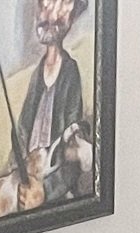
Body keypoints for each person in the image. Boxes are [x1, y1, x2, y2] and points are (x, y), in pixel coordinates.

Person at [16, 0, 89, 204]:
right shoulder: (36, 75)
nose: (48, 14)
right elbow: (22, 130)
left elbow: (71, 145)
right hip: (30, 175)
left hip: (53, 180)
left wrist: (46, 190)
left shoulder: (70, 71)